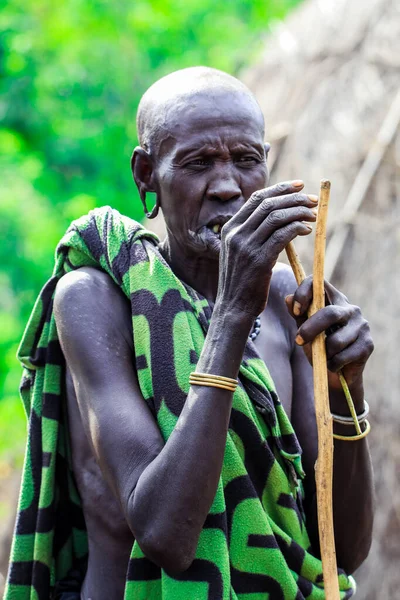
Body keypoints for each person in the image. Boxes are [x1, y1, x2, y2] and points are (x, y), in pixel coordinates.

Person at [6, 67, 374, 600]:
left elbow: (342, 548)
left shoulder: (286, 301)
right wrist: (228, 319)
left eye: (246, 161)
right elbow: (166, 536)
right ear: (145, 175)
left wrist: (346, 389)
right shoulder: (97, 301)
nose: (227, 186)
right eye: (198, 164)